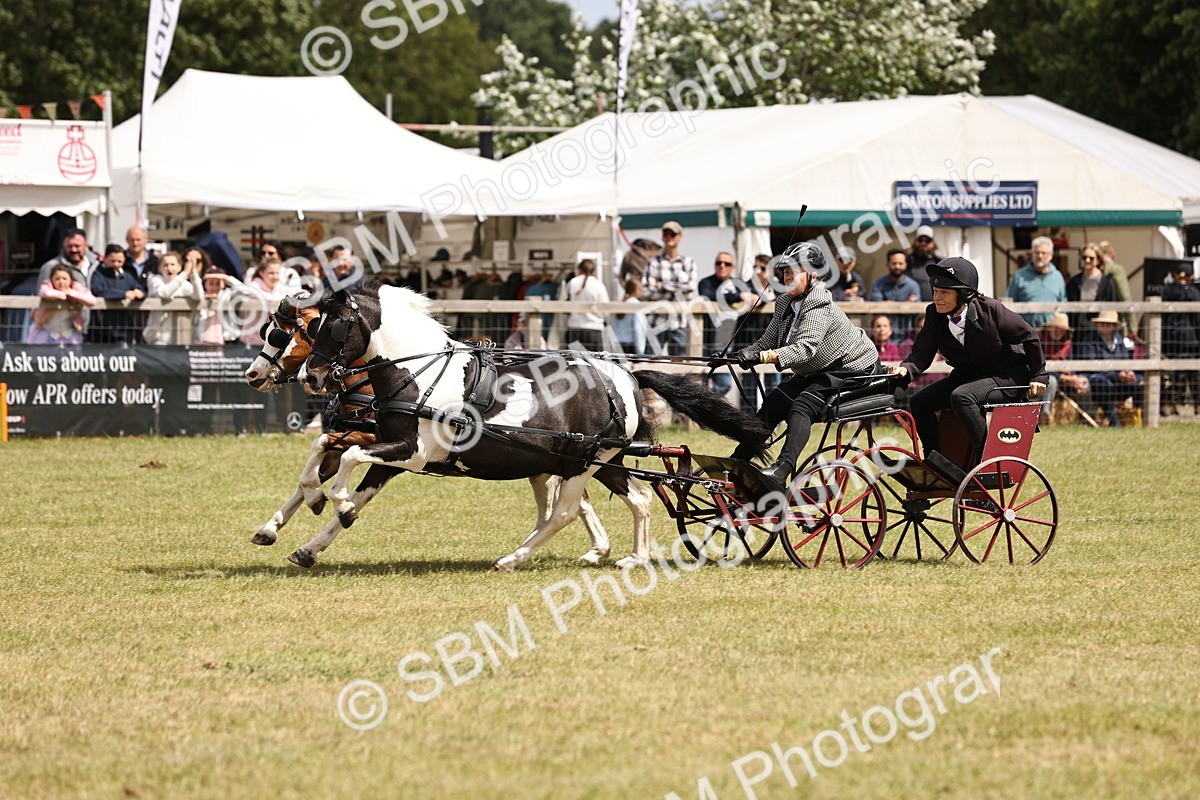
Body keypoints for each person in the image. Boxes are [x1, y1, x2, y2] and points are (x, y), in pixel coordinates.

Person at [720, 242, 881, 491]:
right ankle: (737, 462)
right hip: (817, 369)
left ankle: (781, 470)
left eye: (793, 272)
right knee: (773, 403)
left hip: (851, 367)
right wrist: (740, 354)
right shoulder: (784, 303)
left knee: (803, 405)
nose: (787, 277)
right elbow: (768, 340)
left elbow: (805, 349)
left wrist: (761, 358)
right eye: (785, 272)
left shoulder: (818, 304)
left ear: (813, 275)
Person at [892, 257, 1047, 468]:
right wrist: (905, 369)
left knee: (962, 396)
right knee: (919, 401)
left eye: (944, 293)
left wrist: (1038, 375)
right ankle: (936, 461)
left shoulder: (992, 311)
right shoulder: (933, 314)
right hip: (969, 377)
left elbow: (1030, 337)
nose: (937, 298)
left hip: (1006, 376)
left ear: (964, 294)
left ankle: (984, 463)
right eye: (935, 291)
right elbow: (921, 355)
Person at [698, 250, 755, 394]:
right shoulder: (706, 283)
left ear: (732, 267)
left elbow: (758, 296)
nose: (722, 266)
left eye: (727, 263)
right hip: (709, 342)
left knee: (725, 384)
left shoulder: (739, 284)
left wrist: (752, 298)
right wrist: (739, 296)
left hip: (732, 344)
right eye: (718, 263)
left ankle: (704, 399)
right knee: (719, 382)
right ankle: (703, 399)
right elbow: (708, 295)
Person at [1072, 310, 1142, 427]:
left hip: (1118, 380)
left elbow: (1125, 361)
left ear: (1114, 326)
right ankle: (1115, 422)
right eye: (1102, 323)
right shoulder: (1089, 341)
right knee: (1101, 382)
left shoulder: (1119, 340)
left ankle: (1138, 419)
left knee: (1139, 381)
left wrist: (1127, 373)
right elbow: (1092, 367)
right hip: (1098, 380)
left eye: (1108, 324)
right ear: (1097, 325)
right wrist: (1117, 375)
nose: (1104, 326)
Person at [643, 220, 697, 355]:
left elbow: (691, 286)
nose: (669, 237)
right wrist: (678, 290)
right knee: (650, 363)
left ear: (680, 237)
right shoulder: (653, 262)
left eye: (672, 234)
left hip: (679, 321)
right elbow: (646, 292)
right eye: (666, 234)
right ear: (662, 236)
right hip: (656, 321)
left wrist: (662, 286)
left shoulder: (688, 262)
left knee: (679, 366)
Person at [1161, 266, 1200, 415]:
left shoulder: (1168, 290)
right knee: (1176, 375)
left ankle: (1169, 405)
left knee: (1186, 375)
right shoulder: (1193, 292)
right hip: (1187, 340)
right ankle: (1170, 405)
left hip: (1173, 339)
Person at [88, 244, 145, 343]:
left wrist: (139, 293)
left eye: (120, 261)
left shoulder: (127, 276)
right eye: (112, 261)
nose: (116, 264)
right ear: (105, 259)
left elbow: (139, 289)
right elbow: (98, 291)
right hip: (102, 328)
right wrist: (124, 294)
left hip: (123, 327)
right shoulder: (98, 274)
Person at [1005, 235, 1066, 328]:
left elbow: (1063, 305)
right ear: (1032, 254)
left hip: (1052, 337)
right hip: (1026, 334)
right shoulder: (1019, 276)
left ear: (1051, 256)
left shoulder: (1058, 277)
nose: (1040, 256)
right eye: (1037, 253)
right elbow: (1009, 305)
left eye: (1043, 253)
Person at [142, 251, 201, 345]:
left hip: (178, 337)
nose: (169, 268)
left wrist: (193, 272)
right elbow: (164, 293)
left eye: (173, 264)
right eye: (165, 265)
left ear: (179, 267)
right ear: (159, 268)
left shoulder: (184, 283)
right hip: (157, 338)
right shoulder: (154, 279)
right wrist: (185, 273)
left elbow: (198, 296)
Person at [27, 265, 96, 345]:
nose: (61, 282)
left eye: (64, 279)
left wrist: (71, 293)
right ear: (52, 280)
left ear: (70, 280)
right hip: (45, 333)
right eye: (57, 279)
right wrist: (63, 295)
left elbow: (92, 301)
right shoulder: (46, 286)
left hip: (68, 335)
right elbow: (46, 293)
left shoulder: (76, 288)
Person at [869, 248, 921, 340]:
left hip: (907, 338)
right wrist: (906, 304)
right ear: (887, 264)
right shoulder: (878, 284)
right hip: (882, 338)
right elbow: (876, 307)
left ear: (906, 264)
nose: (897, 266)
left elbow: (917, 313)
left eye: (900, 263)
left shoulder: (913, 286)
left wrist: (887, 304)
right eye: (894, 263)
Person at [1065, 242, 1117, 332]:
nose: (1087, 260)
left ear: (1098, 260)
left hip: (1099, 332)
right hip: (1078, 332)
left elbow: (1112, 307)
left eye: (1091, 258)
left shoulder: (1106, 282)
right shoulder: (1074, 282)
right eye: (1084, 257)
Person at [563, 258, 609, 352]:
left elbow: (565, 304)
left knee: (574, 363)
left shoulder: (572, 283)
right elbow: (606, 310)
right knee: (595, 363)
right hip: (594, 329)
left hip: (574, 328)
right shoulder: (599, 285)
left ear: (579, 269)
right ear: (593, 270)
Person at [1098, 240, 1135, 335]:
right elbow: (1125, 296)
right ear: (1111, 254)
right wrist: (1132, 326)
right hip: (1113, 321)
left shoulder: (1093, 269)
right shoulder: (1117, 270)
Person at [612, 277, 648, 356]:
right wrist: (640, 350)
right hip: (632, 345)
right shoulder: (637, 305)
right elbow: (638, 328)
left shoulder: (621, 303)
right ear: (636, 289)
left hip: (618, 344)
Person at [907, 225, 938, 301]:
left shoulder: (940, 262)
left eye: (927, 240)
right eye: (920, 240)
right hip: (911, 308)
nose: (923, 243)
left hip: (936, 308)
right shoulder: (906, 261)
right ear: (915, 241)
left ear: (933, 243)